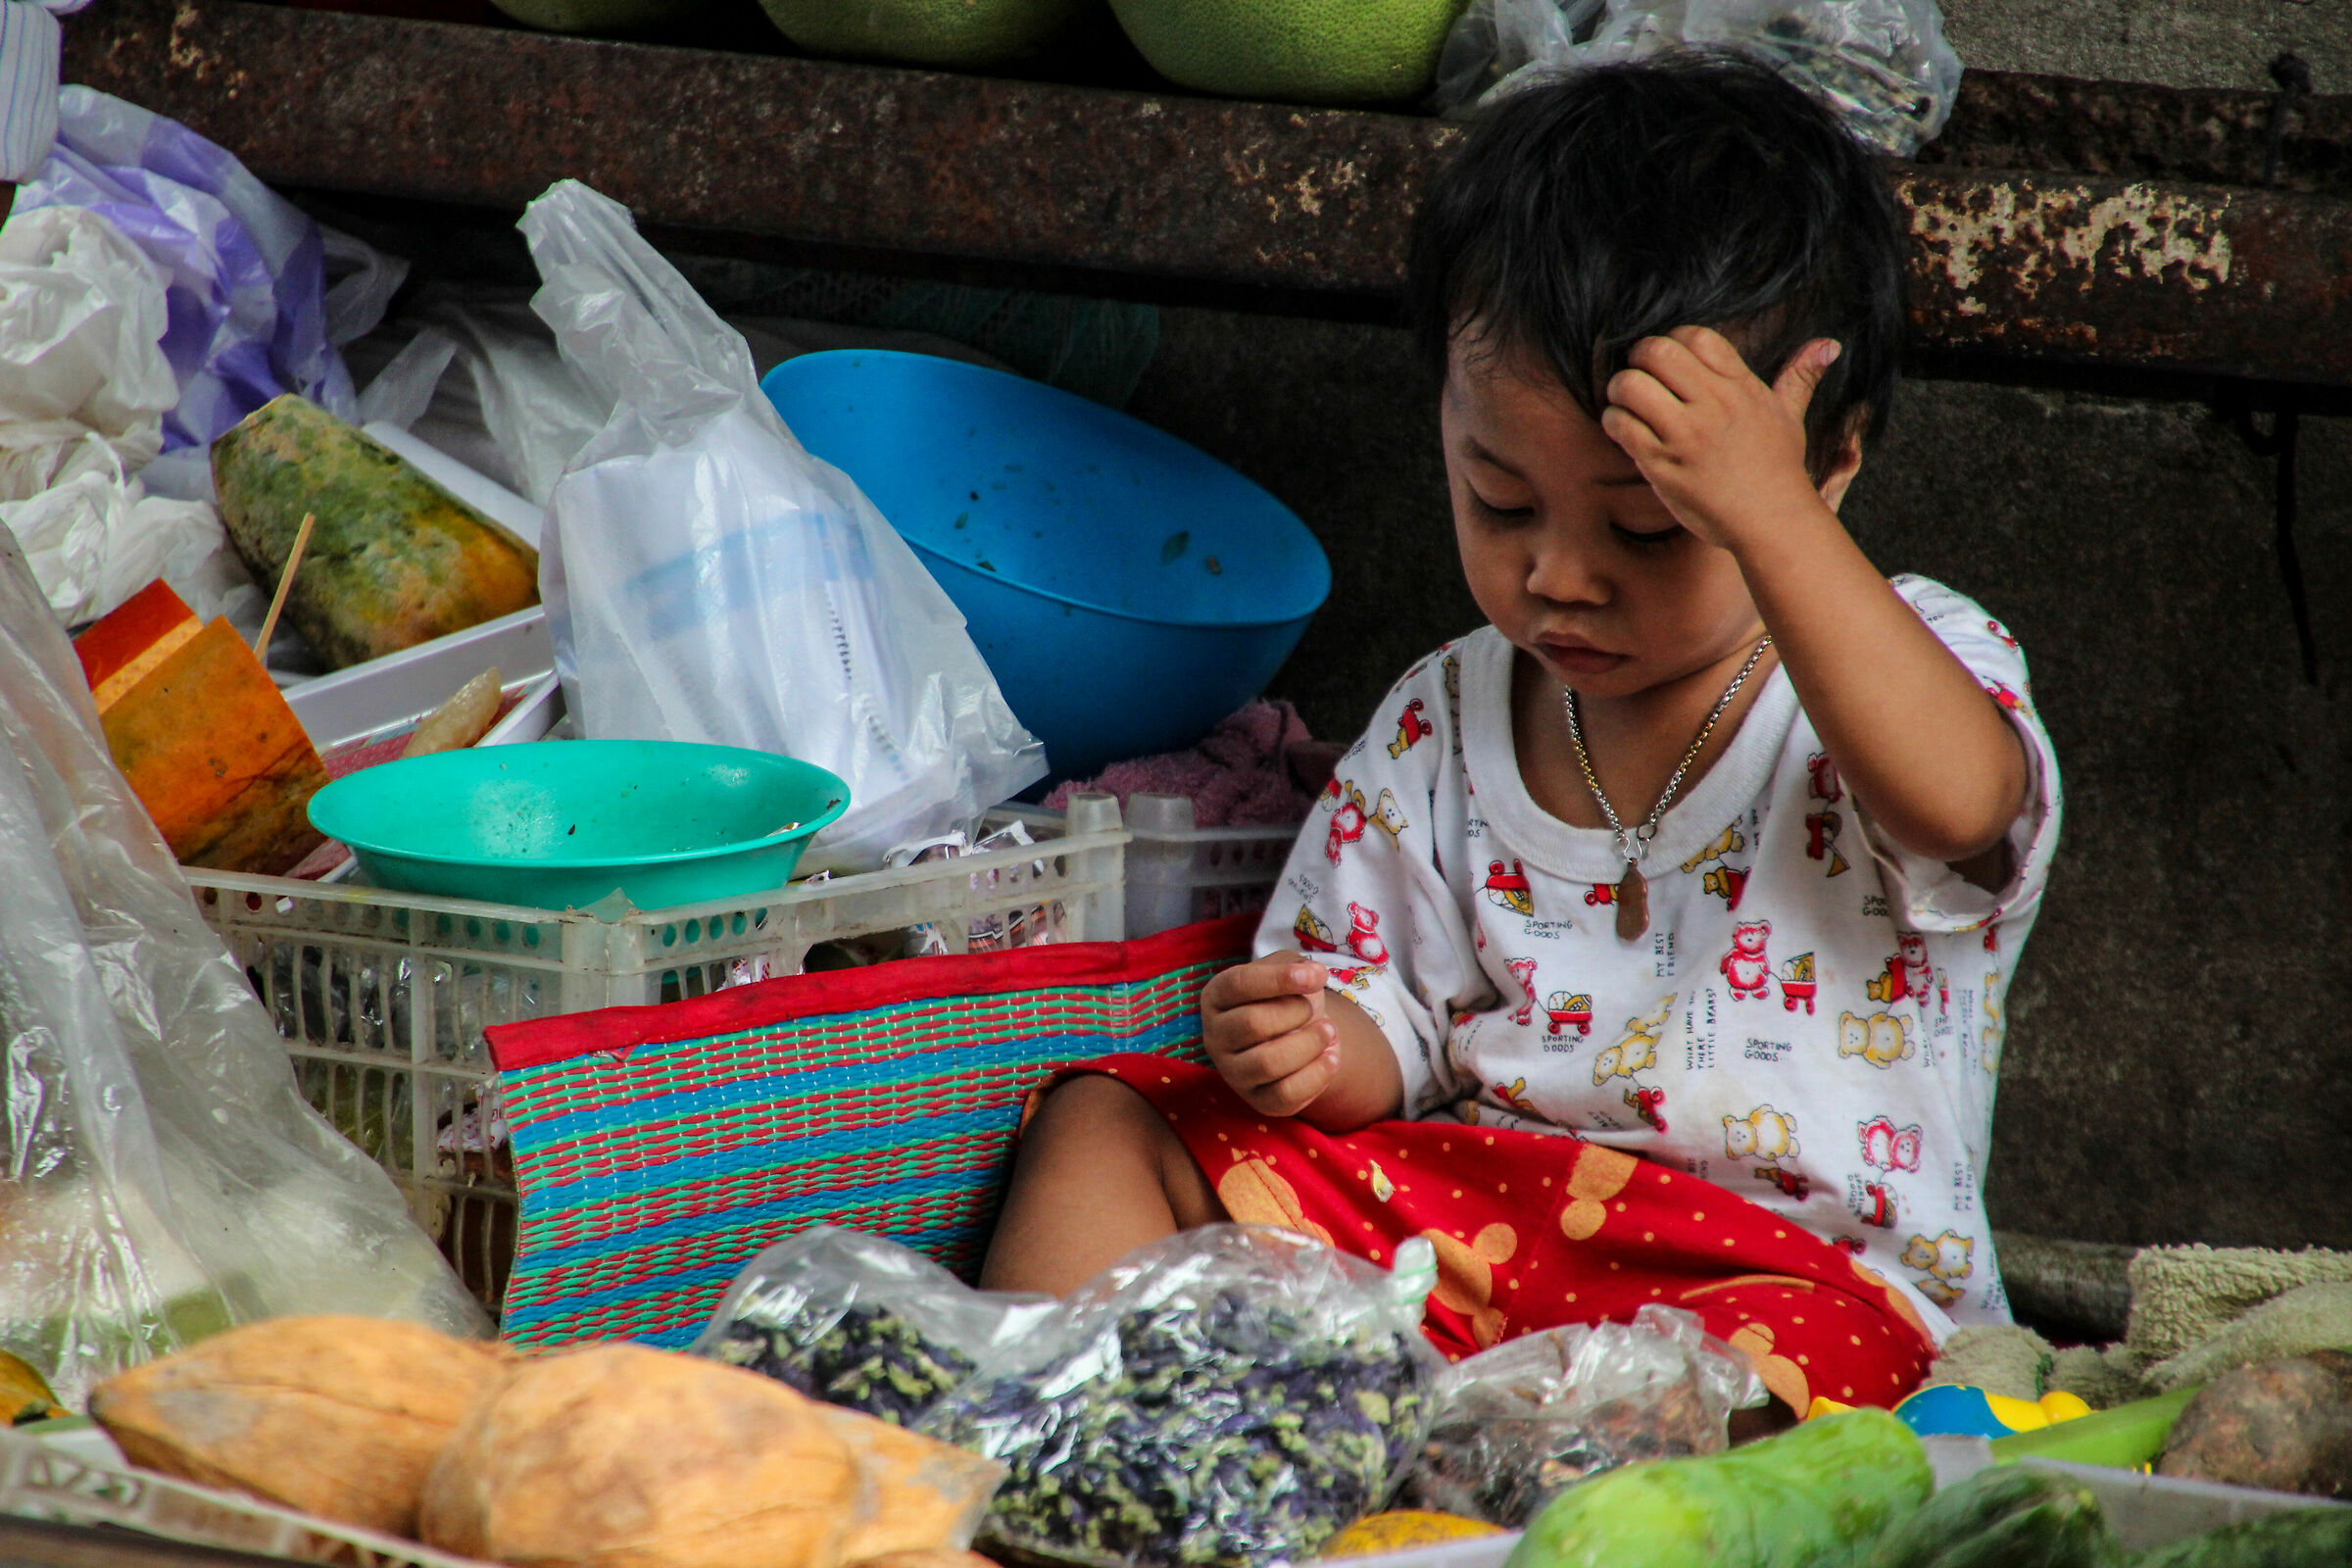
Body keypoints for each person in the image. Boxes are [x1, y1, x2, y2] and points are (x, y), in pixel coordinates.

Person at [983, 53, 2060, 1420]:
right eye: (1501, 500)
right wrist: (1320, 1047)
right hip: (1483, 1247)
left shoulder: (1912, 657)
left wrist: (1770, 521)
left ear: (1830, 464)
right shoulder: (1446, 710)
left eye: (1652, 525)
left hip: (1788, 1285)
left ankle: (1490, 1481)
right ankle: (1048, 1470)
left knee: (1800, 1385)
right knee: (1107, 1123)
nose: (1560, 574)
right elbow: (1385, 1010)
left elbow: (1960, 805)